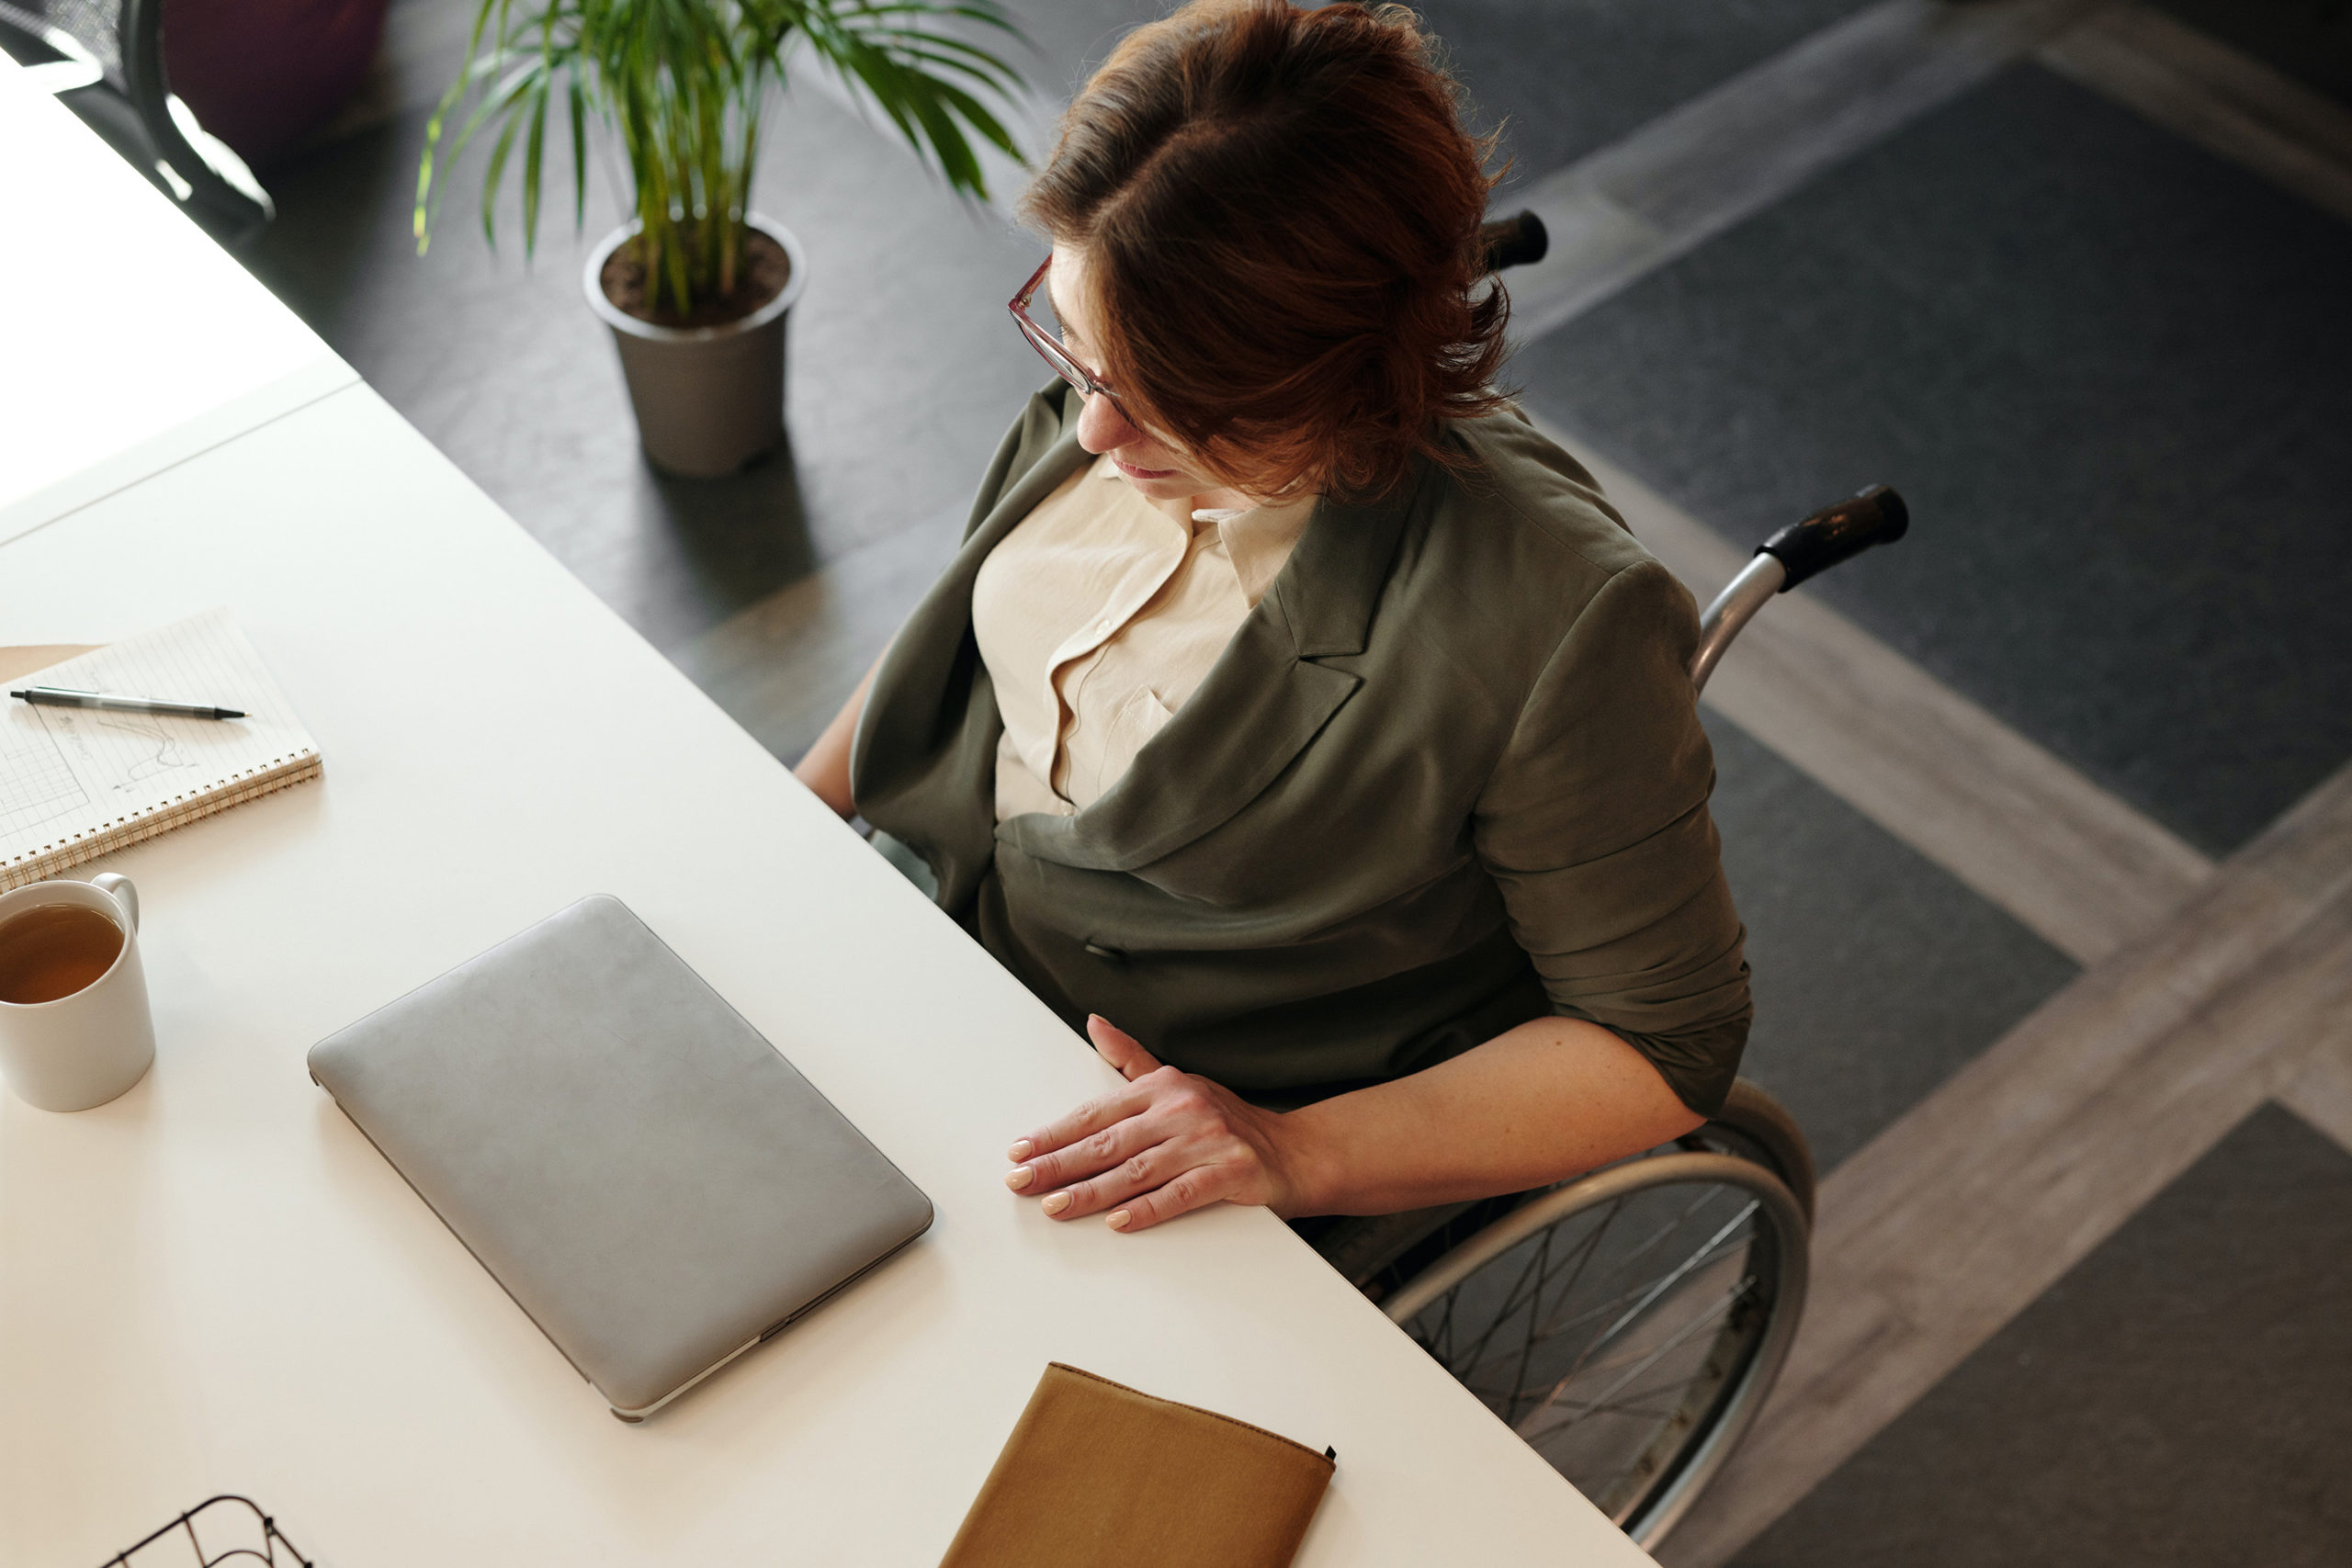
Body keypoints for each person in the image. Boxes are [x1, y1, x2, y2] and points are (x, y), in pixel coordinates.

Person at [795, 0, 1750, 1237]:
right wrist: (798, 814)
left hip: (1159, 1128)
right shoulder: (1124, 378)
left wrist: (1293, 1151)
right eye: (1080, 351)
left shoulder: (1560, 618)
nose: (1091, 430)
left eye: (1167, 397)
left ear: (1344, 365)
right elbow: (967, 647)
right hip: (944, 959)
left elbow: (1662, 1045)